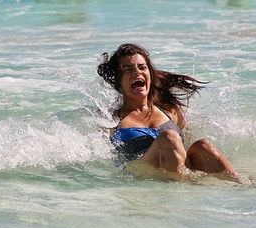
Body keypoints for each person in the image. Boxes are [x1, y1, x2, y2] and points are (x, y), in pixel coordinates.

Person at [97, 43, 238, 181]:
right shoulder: (110, 117)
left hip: (179, 169)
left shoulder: (169, 110)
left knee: (203, 146)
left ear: (149, 75)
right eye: (127, 69)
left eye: (142, 67)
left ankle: (242, 187)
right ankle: (189, 188)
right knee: (169, 137)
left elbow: (185, 145)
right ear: (118, 82)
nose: (137, 72)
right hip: (142, 172)